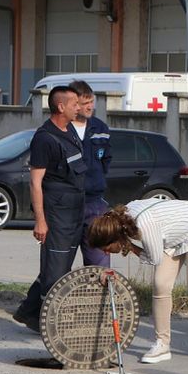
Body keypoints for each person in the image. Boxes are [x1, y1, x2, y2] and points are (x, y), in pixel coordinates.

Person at [88, 199, 188, 364]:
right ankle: (162, 344)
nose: (107, 253)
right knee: (161, 285)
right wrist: (129, 246)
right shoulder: (121, 219)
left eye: (107, 249)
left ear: (115, 238)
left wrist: (130, 247)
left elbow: (154, 258)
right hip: (172, 237)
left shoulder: (144, 226)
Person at [13, 85, 86, 332]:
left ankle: (28, 312)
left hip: (75, 211)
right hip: (57, 214)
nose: (80, 107)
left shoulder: (71, 131)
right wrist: (40, 221)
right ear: (60, 106)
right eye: (75, 103)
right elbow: (35, 182)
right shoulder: (44, 138)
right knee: (55, 271)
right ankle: (49, 323)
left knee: (59, 268)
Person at [69, 79, 113, 267]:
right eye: (85, 103)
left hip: (95, 204)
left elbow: (106, 159)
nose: (90, 107)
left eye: (91, 102)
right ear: (74, 104)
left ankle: (99, 296)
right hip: (68, 205)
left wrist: (96, 181)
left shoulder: (100, 128)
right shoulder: (60, 128)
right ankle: (41, 298)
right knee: (57, 265)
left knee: (100, 263)